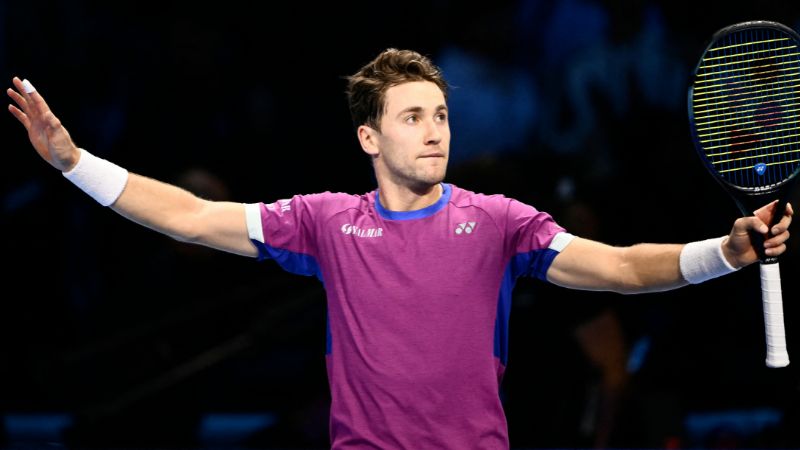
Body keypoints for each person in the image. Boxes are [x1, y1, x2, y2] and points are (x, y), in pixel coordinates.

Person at [7, 48, 793, 450]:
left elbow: (621, 267)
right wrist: (76, 163)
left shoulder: (498, 221)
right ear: (368, 137)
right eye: (413, 116)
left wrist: (723, 251)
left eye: (442, 114)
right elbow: (188, 215)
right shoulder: (323, 222)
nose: (434, 129)